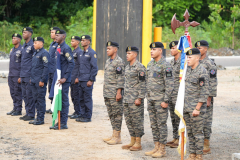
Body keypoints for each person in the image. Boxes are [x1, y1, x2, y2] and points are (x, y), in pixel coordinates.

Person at [144, 42, 174, 158]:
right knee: (154, 124)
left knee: (161, 124)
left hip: (160, 100)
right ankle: (156, 146)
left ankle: (162, 149)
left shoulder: (165, 65)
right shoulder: (150, 64)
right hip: (151, 99)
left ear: (160, 51)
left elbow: (170, 84)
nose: (151, 51)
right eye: (151, 49)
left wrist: (166, 100)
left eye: (154, 49)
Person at [184, 48, 209, 160]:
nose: (187, 59)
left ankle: (199, 156)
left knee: (198, 133)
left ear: (197, 58)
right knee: (190, 132)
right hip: (187, 107)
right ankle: (192, 154)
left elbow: (204, 91)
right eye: (187, 57)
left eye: (190, 57)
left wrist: (197, 108)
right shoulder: (188, 70)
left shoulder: (202, 71)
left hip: (196, 108)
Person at [122, 46, 146, 151]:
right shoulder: (127, 67)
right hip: (127, 98)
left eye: (129, 53)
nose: (127, 55)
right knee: (129, 120)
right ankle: (132, 140)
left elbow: (143, 83)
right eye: (127, 53)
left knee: (137, 121)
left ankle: (138, 142)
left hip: (135, 99)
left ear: (135, 55)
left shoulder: (140, 67)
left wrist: (140, 98)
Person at [195, 40, 218, 154]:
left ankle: (206, 143)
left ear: (206, 49)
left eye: (200, 48)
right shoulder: (194, 62)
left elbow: (213, 82)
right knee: (196, 121)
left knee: (206, 121)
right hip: (195, 96)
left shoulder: (210, 64)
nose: (198, 50)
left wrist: (209, 98)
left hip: (206, 97)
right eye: (197, 48)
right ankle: (197, 143)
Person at [50, 29, 74, 130]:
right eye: (55, 35)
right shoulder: (58, 47)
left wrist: (65, 77)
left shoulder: (66, 48)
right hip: (59, 78)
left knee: (64, 100)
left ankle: (63, 122)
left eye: (58, 35)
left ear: (63, 36)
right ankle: (59, 121)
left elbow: (71, 63)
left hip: (64, 79)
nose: (55, 36)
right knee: (58, 99)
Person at [102, 41, 125, 145]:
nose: (107, 50)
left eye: (109, 49)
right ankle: (114, 134)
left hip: (115, 93)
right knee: (111, 114)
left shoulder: (119, 62)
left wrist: (119, 92)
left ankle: (117, 137)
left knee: (117, 114)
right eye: (107, 49)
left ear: (115, 49)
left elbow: (120, 78)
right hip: (107, 92)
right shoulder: (108, 61)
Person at [75, 35, 98, 123]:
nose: (82, 42)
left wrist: (91, 80)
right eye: (81, 40)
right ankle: (83, 115)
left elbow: (94, 67)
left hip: (87, 80)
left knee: (87, 98)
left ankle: (88, 116)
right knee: (81, 98)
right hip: (81, 79)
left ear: (89, 42)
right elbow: (79, 66)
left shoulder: (92, 53)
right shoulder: (81, 53)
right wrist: (77, 77)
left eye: (84, 40)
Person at [29, 37, 49, 125]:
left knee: (40, 99)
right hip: (33, 80)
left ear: (41, 44)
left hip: (39, 81)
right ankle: (37, 118)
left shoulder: (44, 53)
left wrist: (42, 80)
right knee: (35, 99)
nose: (34, 44)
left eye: (36, 43)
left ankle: (41, 119)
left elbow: (46, 67)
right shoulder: (35, 53)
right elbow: (34, 67)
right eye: (33, 43)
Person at [166, 41, 181, 148]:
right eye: (170, 48)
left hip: (179, 94)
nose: (171, 50)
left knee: (179, 117)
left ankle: (180, 138)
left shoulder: (183, 62)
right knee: (173, 117)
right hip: (171, 94)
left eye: (174, 48)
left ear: (179, 49)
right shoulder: (171, 62)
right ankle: (175, 137)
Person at [19, 27, 35, 121]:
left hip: (29, 74)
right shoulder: (24, 45)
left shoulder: (33, 45)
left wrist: (32, 75)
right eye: (23, 32)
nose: (23, 34)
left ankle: (31, 114)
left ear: (30, 34)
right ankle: (27, 112)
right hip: (23, 74)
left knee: (30, 95)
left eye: (25, 32)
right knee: (24, 95)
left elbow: (35, 60)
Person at [7, 33, 23, 116]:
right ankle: (15, 108)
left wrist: (21, 76)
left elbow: (23, 64)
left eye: (15, 38)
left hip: (17, 74)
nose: (13, 40)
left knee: (17, 92)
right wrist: (9, 75)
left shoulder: (22, 50)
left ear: (19, 40)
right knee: (12, 92)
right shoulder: (12, 50)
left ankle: (18, 109)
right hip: (11, 74)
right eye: (12, 38)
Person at [46, 27, 60, 114]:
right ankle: (52, 106)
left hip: (55, 70)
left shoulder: (58, 45)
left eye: (53, 32)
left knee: (55, 89)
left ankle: (56, 107)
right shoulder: (52, 44)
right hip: (50, 70)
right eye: (50, 32)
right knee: (50, 89)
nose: (51, 34)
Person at [68, 36, 82, 119]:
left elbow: (80, 65)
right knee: (73, 95)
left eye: (73, 41)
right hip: (72, 76)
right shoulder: (73, 51)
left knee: (76, 95)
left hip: (76, 77)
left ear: (77, 42)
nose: (71, 42)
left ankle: (78, 112)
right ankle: (76, 111)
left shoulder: (79, 52)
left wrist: (78, 77)